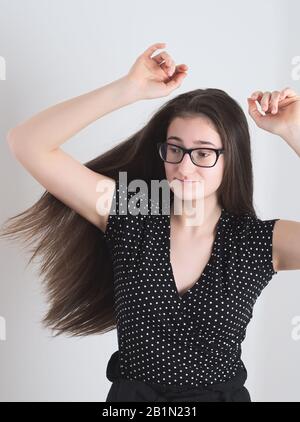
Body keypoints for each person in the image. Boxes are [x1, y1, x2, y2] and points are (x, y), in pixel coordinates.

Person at [1, 42, 300, 402]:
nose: (184, 167)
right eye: (175, 149)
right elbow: (28, 144)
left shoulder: (254, 242)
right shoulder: (134, 212)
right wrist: (127, 90)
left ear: (230, 158)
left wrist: (292, 132)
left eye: (203, 153)